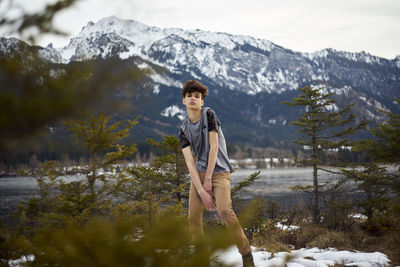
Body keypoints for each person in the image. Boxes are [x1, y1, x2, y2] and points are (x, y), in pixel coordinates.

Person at [178, 80, 254, 267]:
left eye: (197, 96)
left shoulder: (209, 115)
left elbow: (214, 147)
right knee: (193, 217)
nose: (193, 99)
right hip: (199, 175)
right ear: (184, 101)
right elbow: (190, 162)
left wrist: (209, 181)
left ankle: (246, 255)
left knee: (224, 210)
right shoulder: (183, 129)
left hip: (219, 172)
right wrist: (202, 190)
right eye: (190, 96)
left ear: (202, 101)